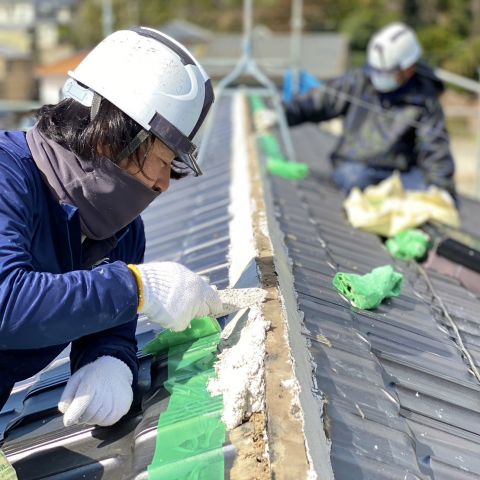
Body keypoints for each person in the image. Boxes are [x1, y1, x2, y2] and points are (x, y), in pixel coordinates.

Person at [0, 27, 223, 429]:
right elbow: (6, 302)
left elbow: (108, 321)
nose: (163, 183)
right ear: (112, 133)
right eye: (163, 158)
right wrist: (136, 289)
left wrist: (109, 359)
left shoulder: (119, 230)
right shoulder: (7, 177)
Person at [257, 22, 456, 198]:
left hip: (400, 174)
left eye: (387, 72)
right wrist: (280, 114)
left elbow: (435, 147)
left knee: (426, 192)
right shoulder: (359, 81)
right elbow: (320, 101)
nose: (379, 77)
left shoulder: (425, 100)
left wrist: (441, 188)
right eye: (376, 70)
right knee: (355, 179)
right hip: (355, 167)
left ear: (409, 68)